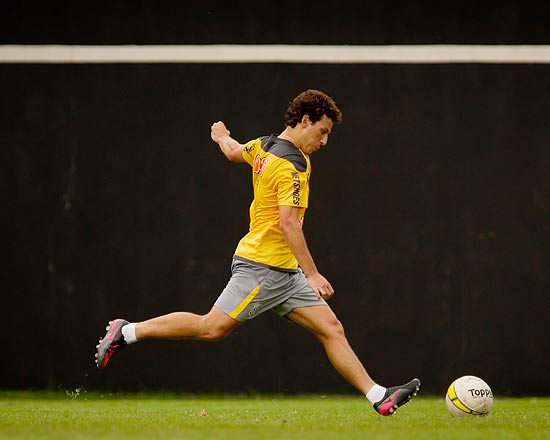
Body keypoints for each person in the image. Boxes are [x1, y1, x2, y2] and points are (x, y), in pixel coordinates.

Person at [95, 89, 420, 416]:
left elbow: (235, 152)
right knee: (211, 327)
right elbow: (289, 224)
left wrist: (222, 137)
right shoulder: (293, 165)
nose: (324, 142)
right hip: (262, 267)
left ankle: (378, 395)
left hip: (284, 271)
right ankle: (126, 331)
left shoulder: (264, 145)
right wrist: (312, 274)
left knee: (331, 328)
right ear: (304, 121)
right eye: (322, 132)